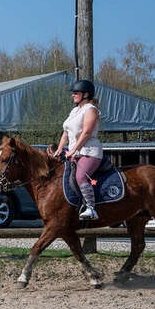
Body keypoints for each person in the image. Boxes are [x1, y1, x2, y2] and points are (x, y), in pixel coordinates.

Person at [48, 78, 103, 220]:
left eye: (76, 92)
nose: (73, 95)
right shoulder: (74, 111)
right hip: (74, 153)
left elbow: (86, 133)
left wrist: (73, 150)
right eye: (73, 92)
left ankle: (91, 208)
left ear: (86, 94)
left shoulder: (91, 110)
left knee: (80, 176)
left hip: (89, 152)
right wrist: (59, 149)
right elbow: (66, 132)